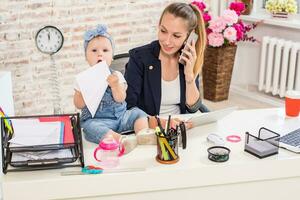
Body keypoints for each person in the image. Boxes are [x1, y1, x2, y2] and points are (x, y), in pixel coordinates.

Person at [73, 24, 150, 153]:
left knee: (138, 113)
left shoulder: (117, 75)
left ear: (112, 57)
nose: (100, 55)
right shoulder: (83, 79)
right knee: (90, 128)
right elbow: (79, 104)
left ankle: (143, 136)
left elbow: (121, 98)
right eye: (94, 51)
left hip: (121, 118)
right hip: (97, 121)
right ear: (86, 57)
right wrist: (83, 90)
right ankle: (122, 141)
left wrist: (115, 85)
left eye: (105, 51)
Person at [125, 2, 209, 117]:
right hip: (147, 128)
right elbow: (129, 107)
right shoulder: (139, 57)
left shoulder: (188, 59)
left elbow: (193, 108)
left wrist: (189, 77)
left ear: (189, 37)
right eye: (163, 31)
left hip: (180, 129)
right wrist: (158, 123)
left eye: (176, 36)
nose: (167, 41)